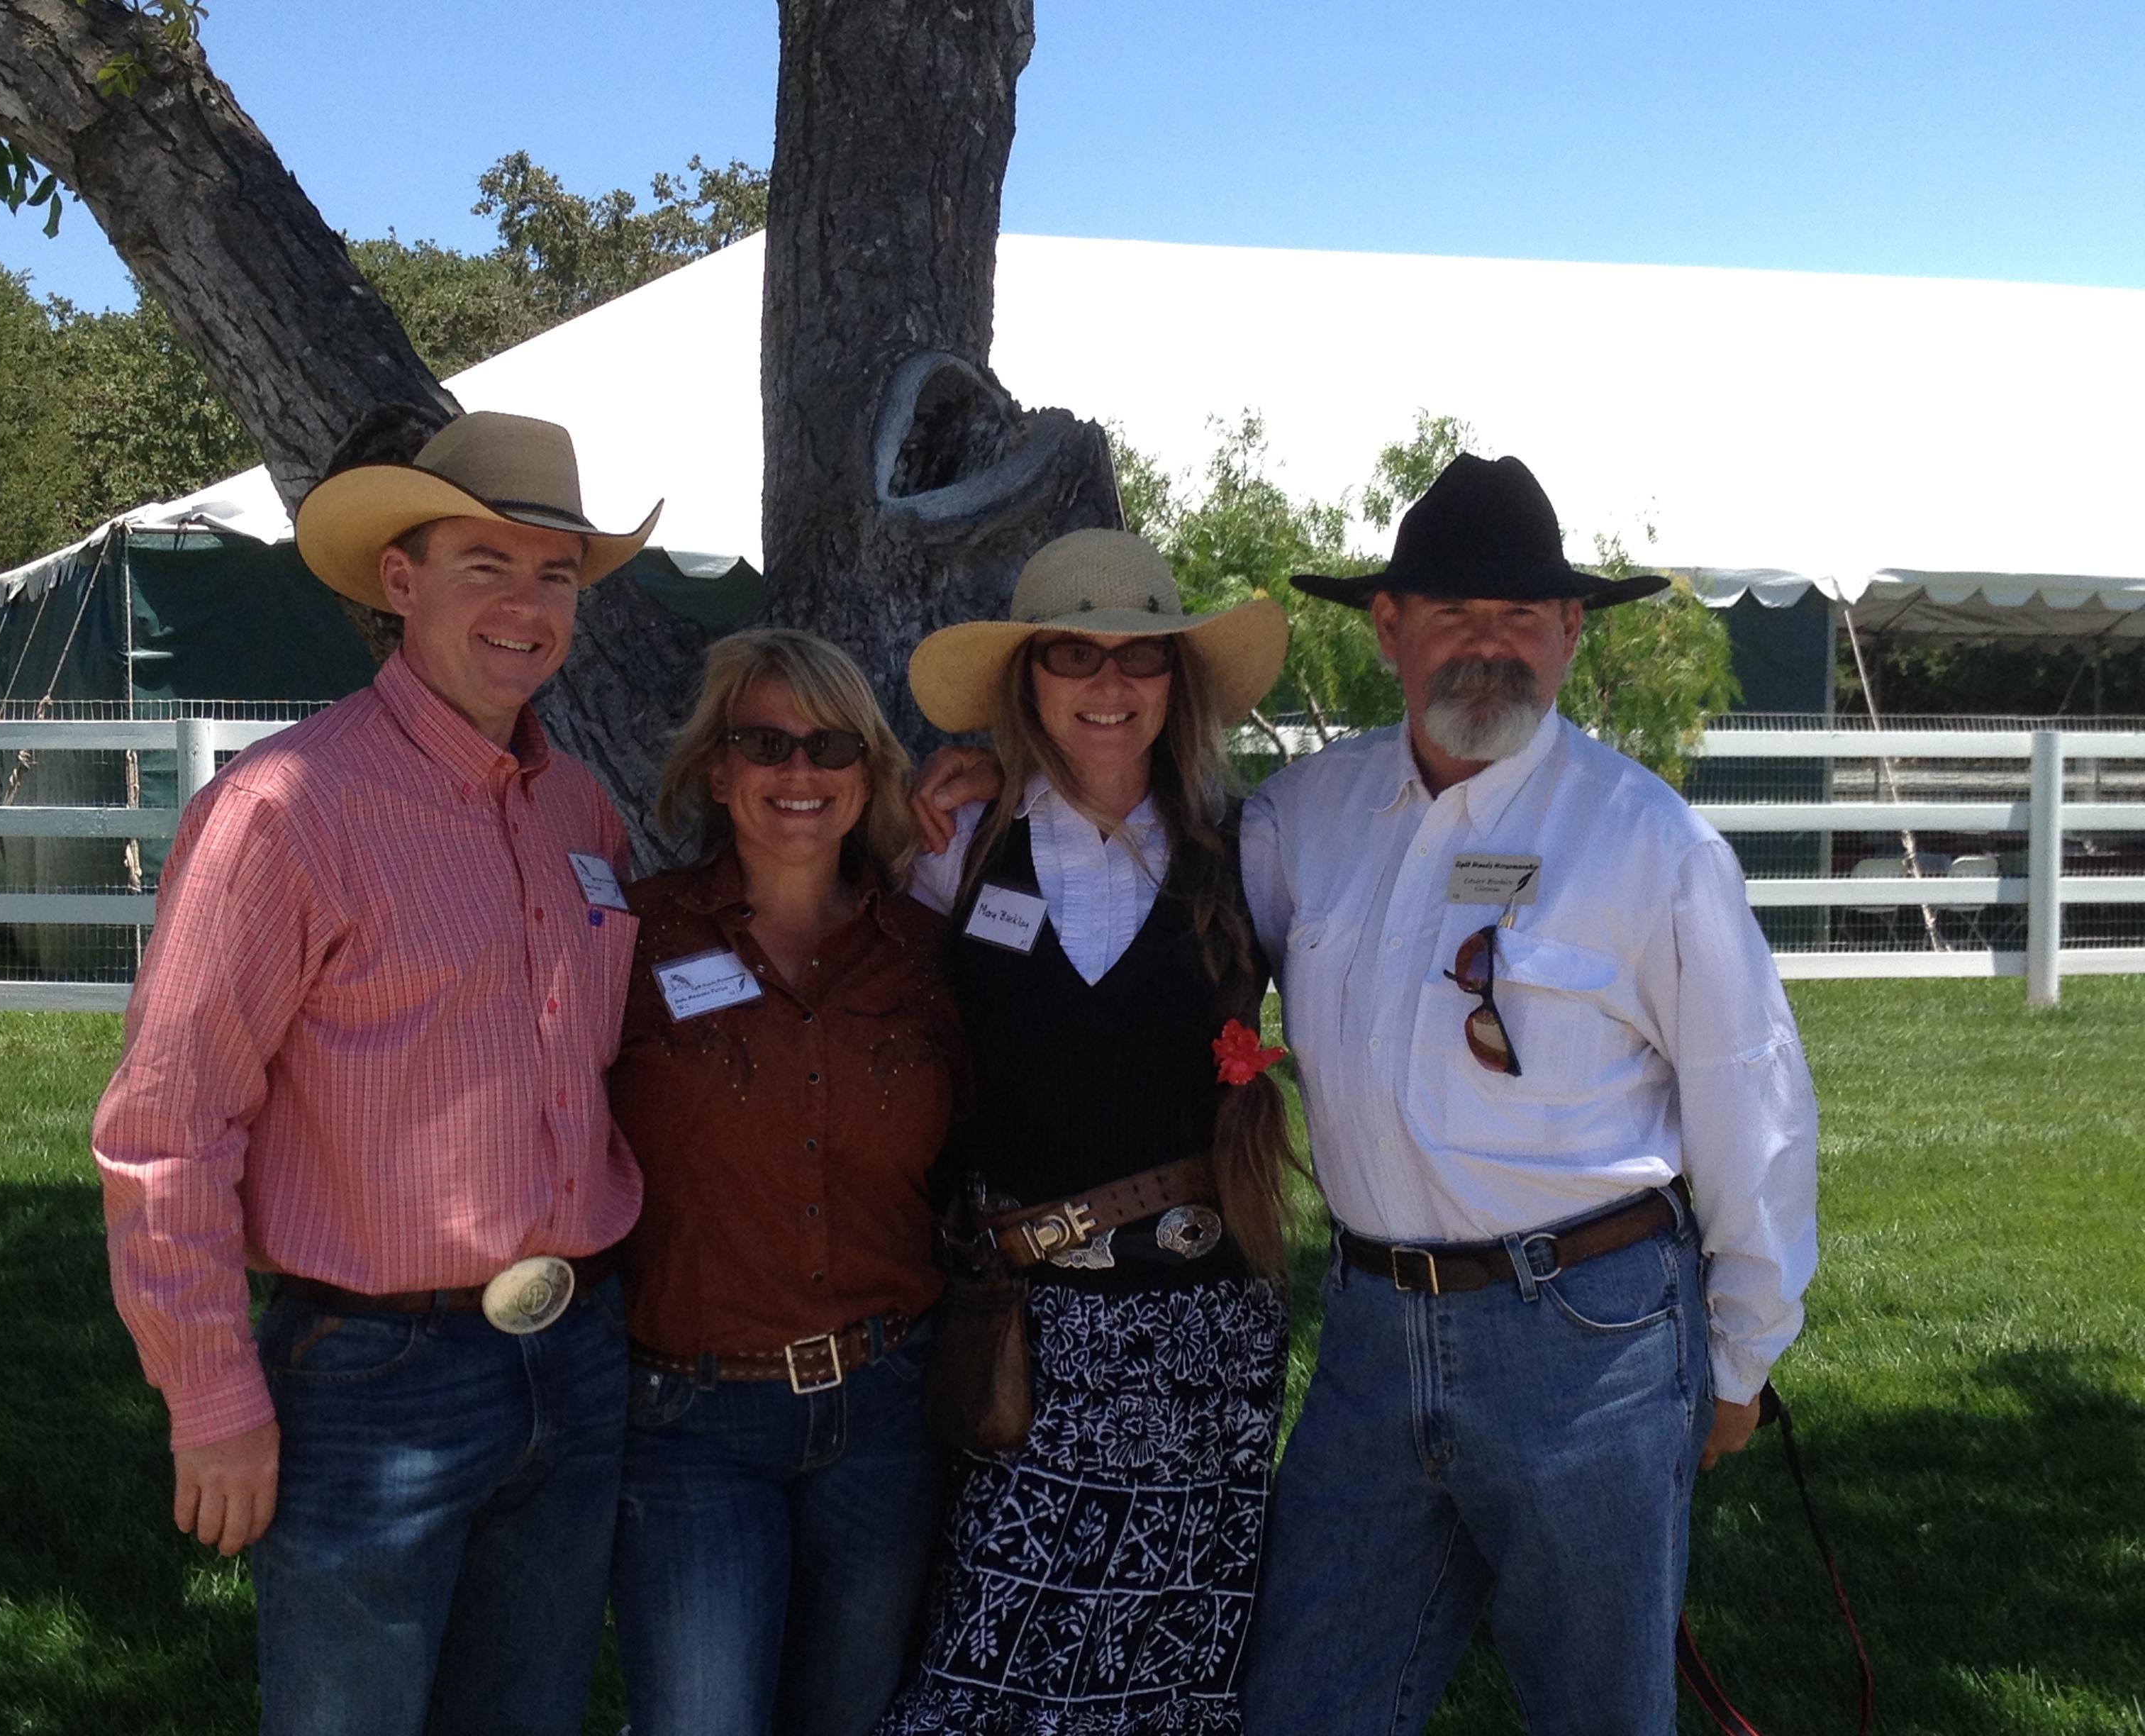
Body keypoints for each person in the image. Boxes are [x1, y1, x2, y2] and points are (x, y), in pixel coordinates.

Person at [92, 411, 662, 1736]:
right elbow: (168, 1126)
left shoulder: (579, 811)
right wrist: (213, 1393)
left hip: (573, 1353)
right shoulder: (288, 811)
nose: (527, 607)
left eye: (557, 575)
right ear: (400, 581)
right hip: (372, 1374)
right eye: (487, 566)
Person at [1237, 454, 1820, 1735]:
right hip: (1373, 1342)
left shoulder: (1650, 845)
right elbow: (1169, 917)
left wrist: (1739, 1359)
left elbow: (1753, 1107)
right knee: (1301, 1703)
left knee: (1598, 1714)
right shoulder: (1301, 818)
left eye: (1522, 618)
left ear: (1570, 634)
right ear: (1390, 628)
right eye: (1455, 613)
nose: (1489, 646)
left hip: (1590, 1344)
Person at [876, 528, 1299, 1735]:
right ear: (1029, 678)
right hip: (1021, 1334)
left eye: (1142, 658)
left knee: (1169, 1675)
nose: (1110, 688)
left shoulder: (1244, 844)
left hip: (1202, 1336)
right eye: (1074, 655)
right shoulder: (955, 843)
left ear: (1180, 682)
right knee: (989, 1665)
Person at [608, 628, 966, 1736]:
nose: (801, 774)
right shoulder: (636, 938)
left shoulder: (923, 952)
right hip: (691, 1421)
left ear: (871, 776)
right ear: (717, 770)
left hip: (886, 1411)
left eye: (832, 746)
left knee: (848, 1716)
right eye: (766, 743)